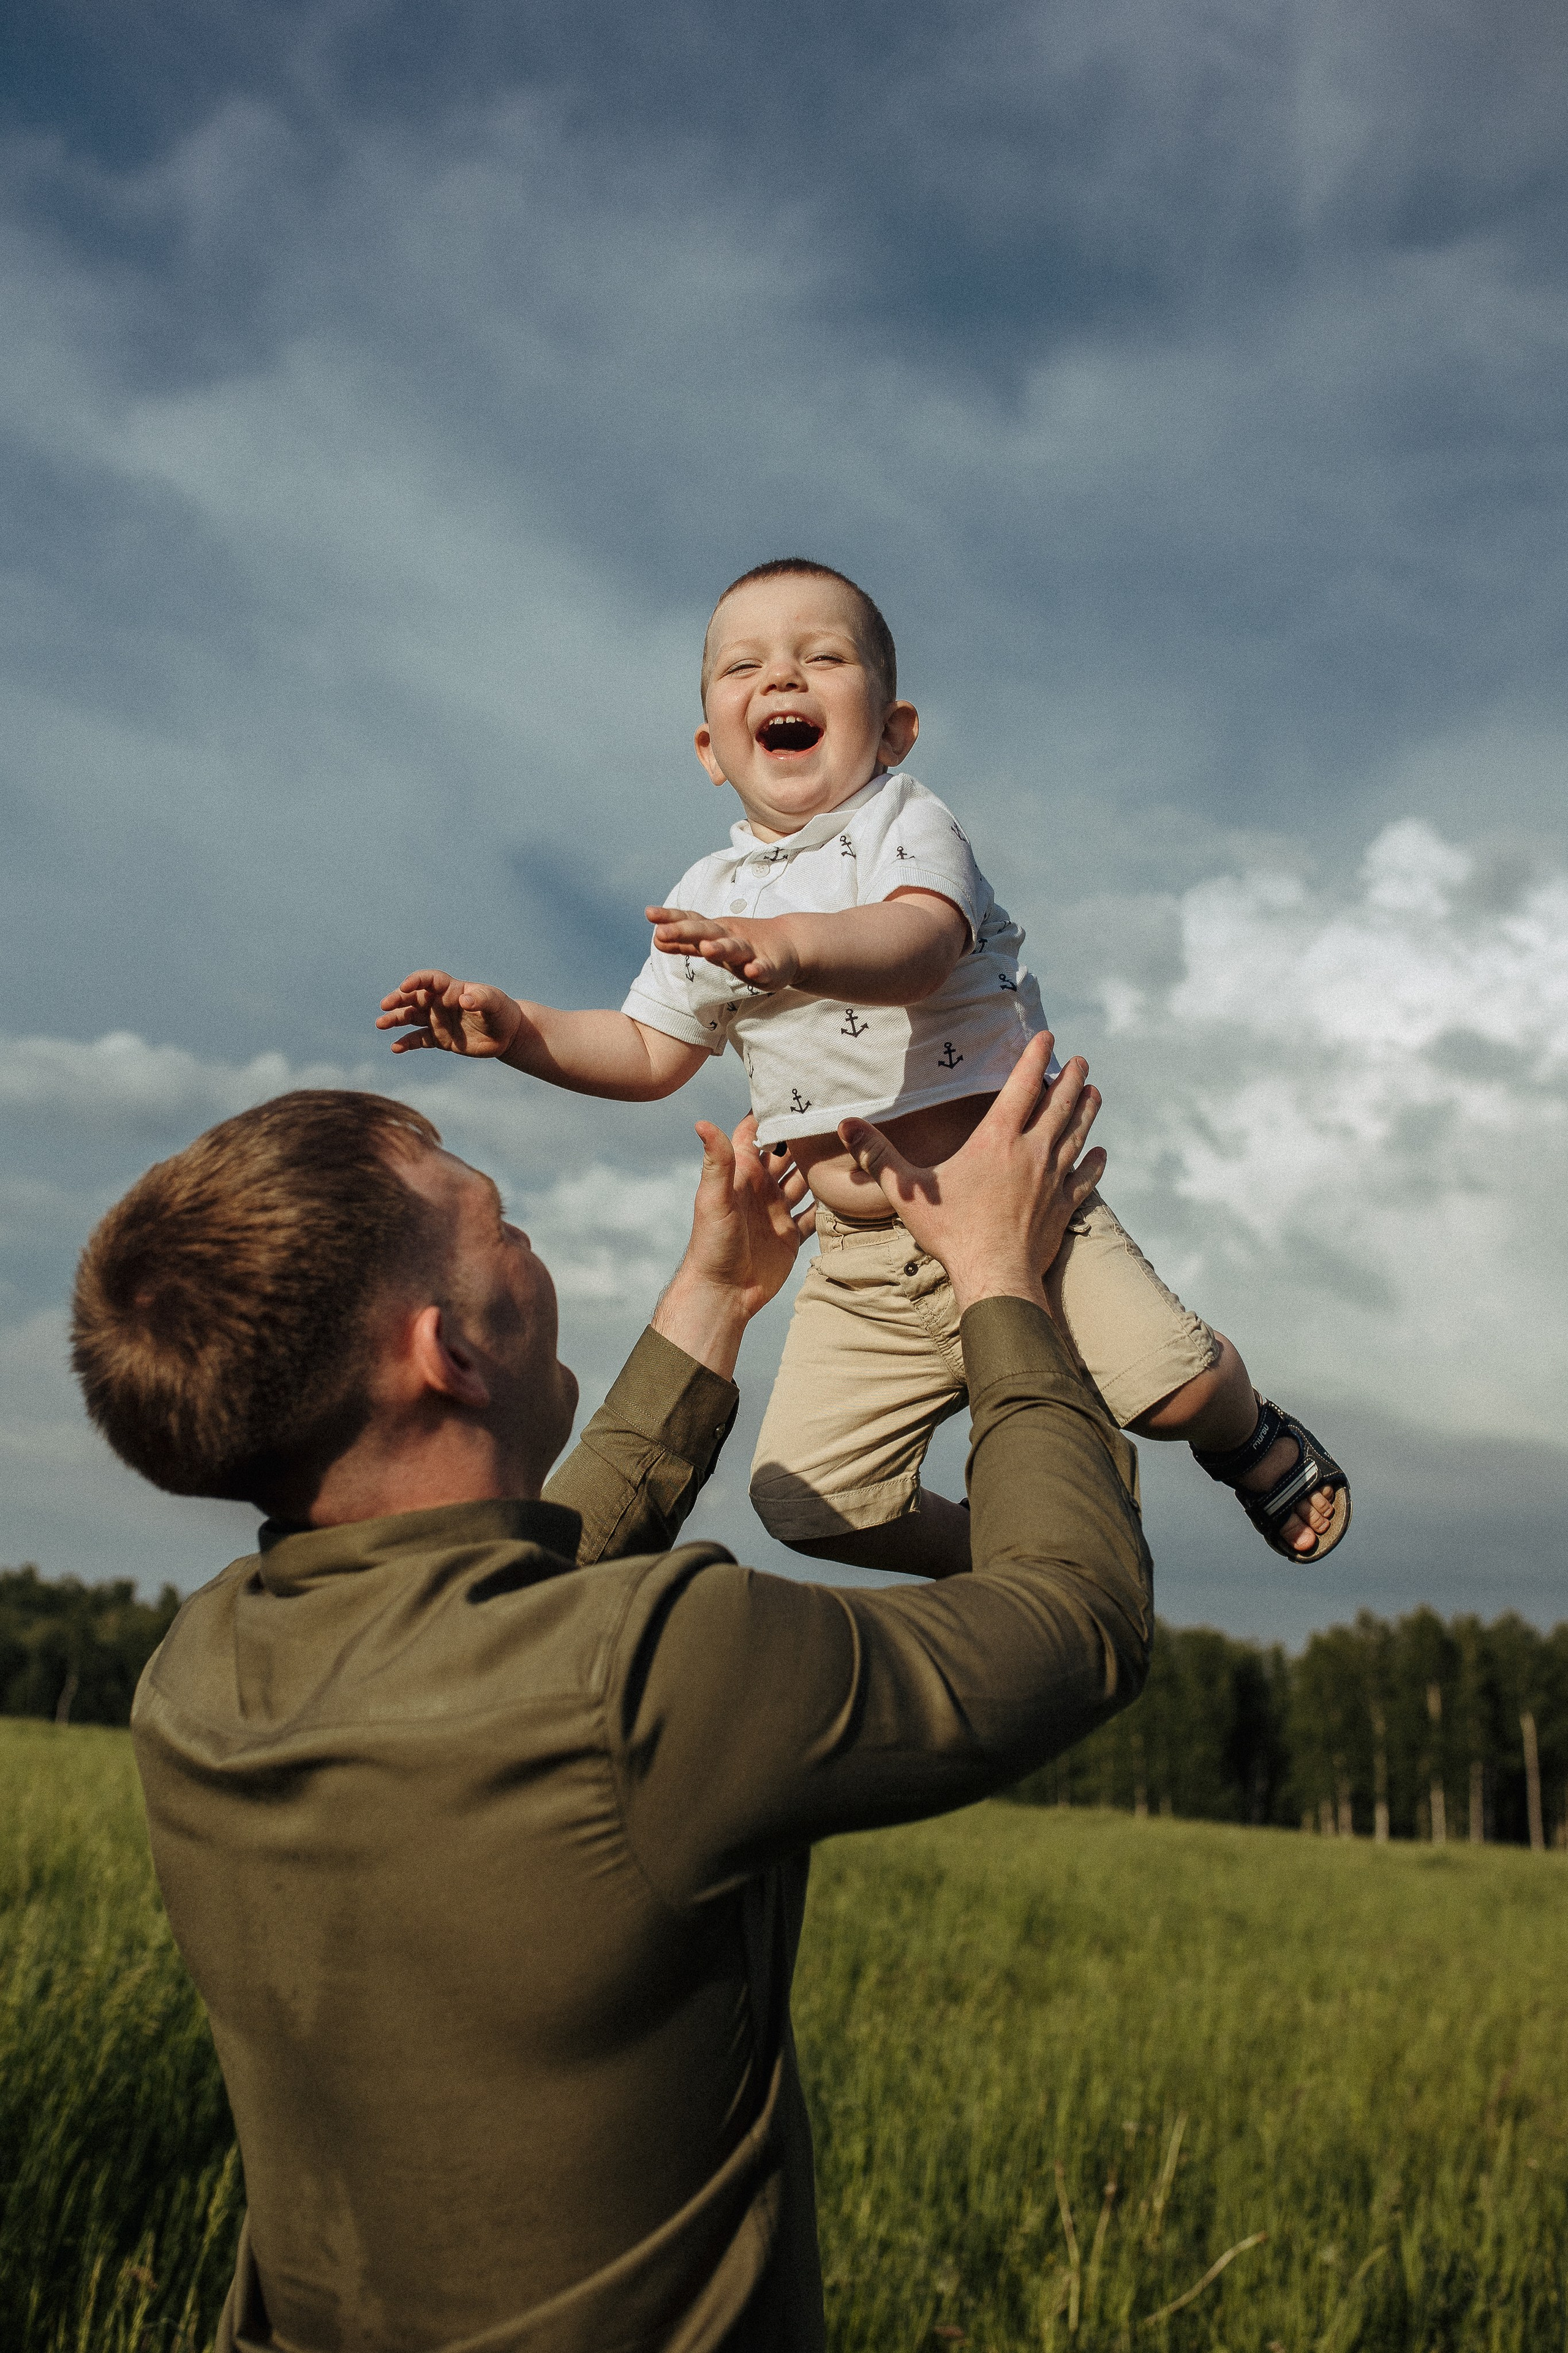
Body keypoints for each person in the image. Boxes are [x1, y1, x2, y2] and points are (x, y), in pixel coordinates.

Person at [74, 1043, 1150, 2353]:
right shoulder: (655, 1672)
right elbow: (1073, 1620)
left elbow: (508, 1613)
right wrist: (998, 1275)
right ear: (448, 1351)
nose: (528, 1249)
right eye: (501, 1225)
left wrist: (712, 1298)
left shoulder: (197, 1678)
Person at [377, 558, 1349, 1579]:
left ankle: (1247, 1437)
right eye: (744, 665)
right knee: (807, 1499)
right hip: (856, 1260)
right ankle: (1007, 1548)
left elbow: (917, 944)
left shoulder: (910, 827)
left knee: (1175, 1391)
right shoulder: (708, 895)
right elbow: (650, 1048)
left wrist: (789, 947)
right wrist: (521, 1029)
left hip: (1017, 1213)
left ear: (892, 730)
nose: (783, 679)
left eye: (823, 657)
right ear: (713, 749)